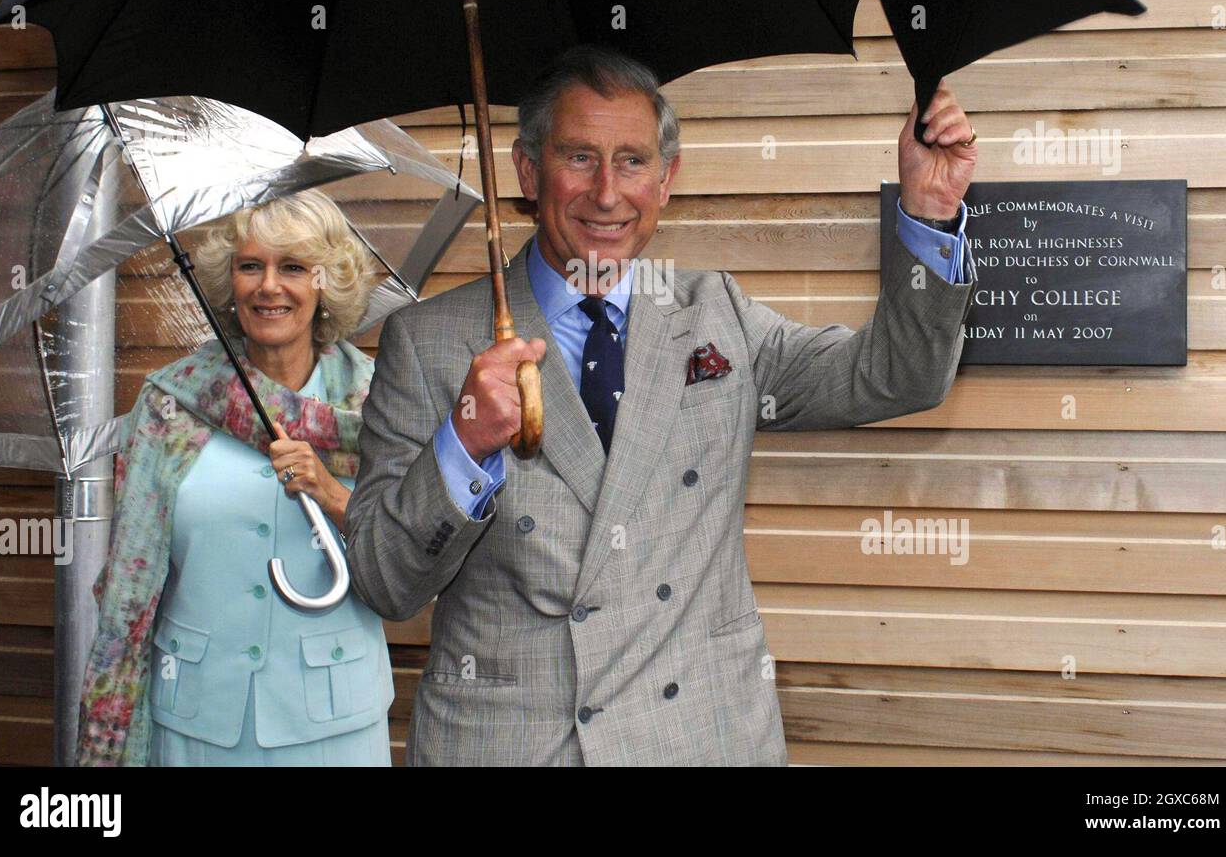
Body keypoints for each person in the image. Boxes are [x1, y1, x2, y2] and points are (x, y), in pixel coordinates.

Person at [346, 45, 979, 766]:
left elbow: (898, 376)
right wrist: (461, 447)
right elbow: (381, 579)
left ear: (668, 177)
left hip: (697, 739)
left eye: (633, 160)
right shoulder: (426, 342)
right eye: (579, 157)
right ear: (527, 170)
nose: (608, 193)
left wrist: (928, 214)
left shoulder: (719, 317)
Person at [77, 189, 395, 766]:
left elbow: (409, 558)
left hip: (334, 723)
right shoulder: (169, 403)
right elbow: (133, 578)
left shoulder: (381, 403)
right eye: (252, 266)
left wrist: (331, 493)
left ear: (327, 284)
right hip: (197, 722)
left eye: (293, 267)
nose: (268, 286)